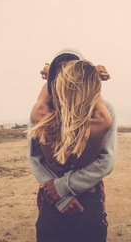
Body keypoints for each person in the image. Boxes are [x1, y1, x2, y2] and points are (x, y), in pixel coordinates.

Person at [28, 49, 117, 242]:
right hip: (54, 195)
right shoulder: (102, 114)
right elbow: (35, 158)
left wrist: (62, 188)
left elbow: (106, 160)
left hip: (72, 193)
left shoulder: (40, 110)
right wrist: (62, 197)